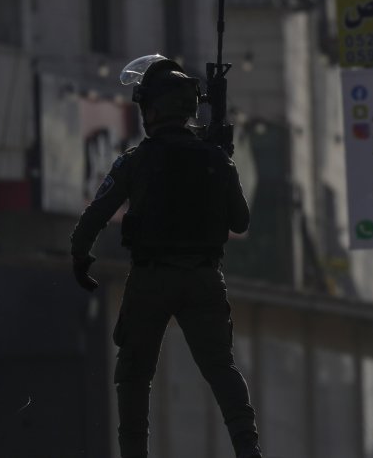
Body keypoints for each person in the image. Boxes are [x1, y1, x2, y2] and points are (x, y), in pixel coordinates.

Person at [70, 54, 262, 458]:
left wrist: (79, 255)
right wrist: (221, 163)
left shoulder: (136, 161)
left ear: (154, 111)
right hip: (204, 278)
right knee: (221, 368)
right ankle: (248, 449)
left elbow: (96, 214)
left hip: (151, 280)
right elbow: (240, 221)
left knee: (135, 377)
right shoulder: (215, 159)